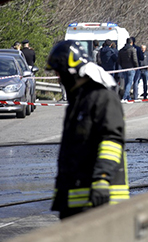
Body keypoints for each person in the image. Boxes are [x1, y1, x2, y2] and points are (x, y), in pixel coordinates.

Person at [45, 40, 129, 219]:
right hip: (76, 202)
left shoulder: (103, 99)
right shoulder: (78, 103)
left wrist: (102, 179)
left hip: (100, 202)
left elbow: (111, 141)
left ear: (72, 72)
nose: (59, 78)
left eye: (60, 73)